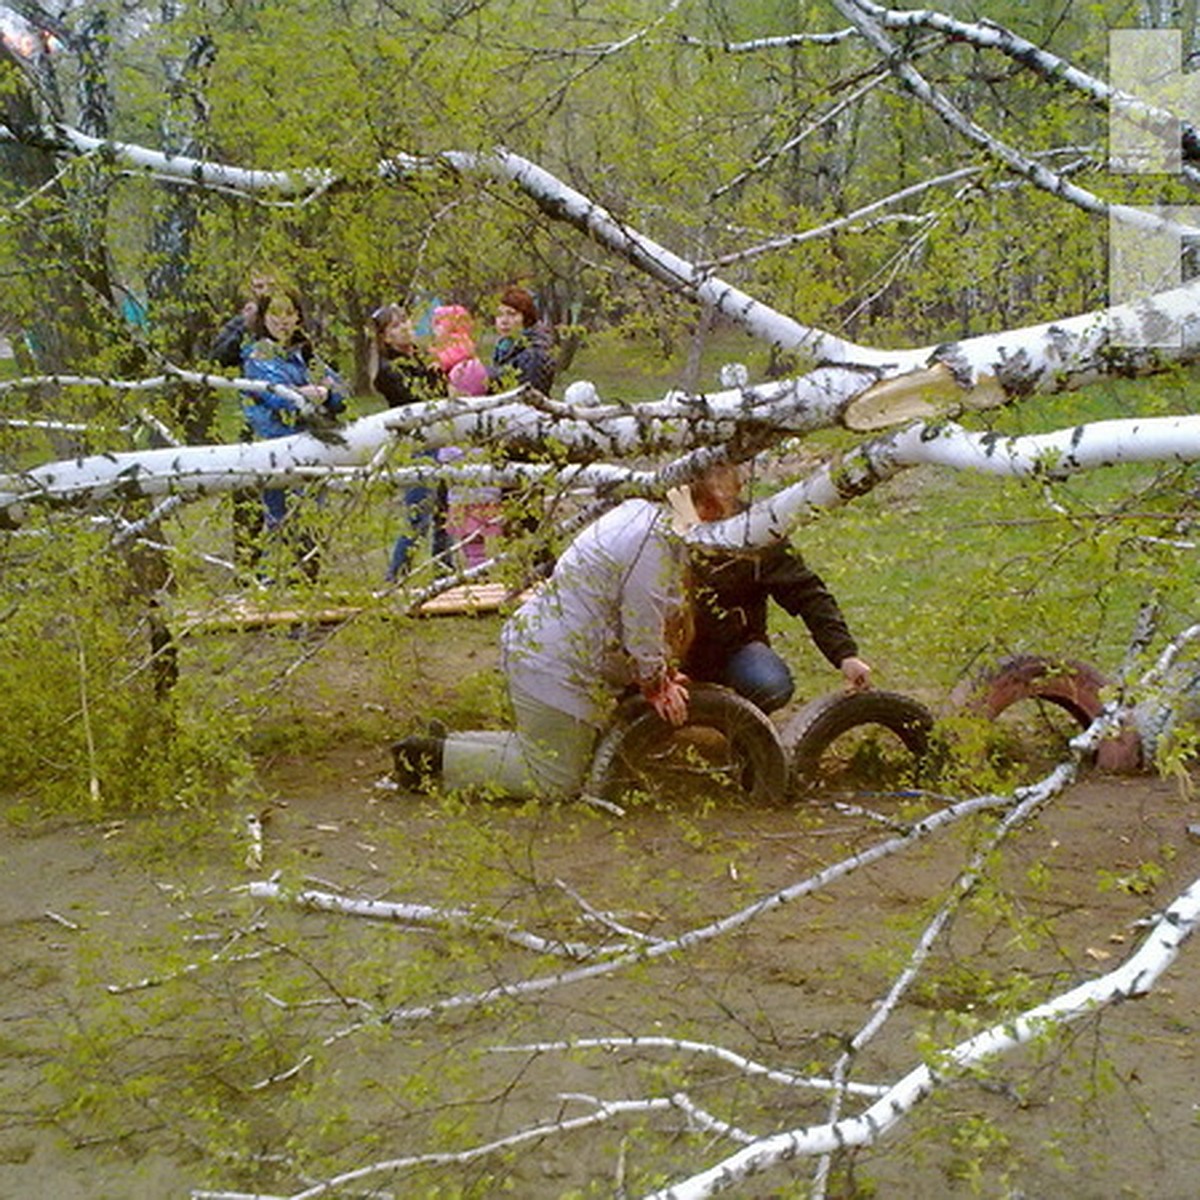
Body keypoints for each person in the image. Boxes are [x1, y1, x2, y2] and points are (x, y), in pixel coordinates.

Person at [390, 477, 708, 800]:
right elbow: (643, 621)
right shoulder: (651, 540)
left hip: (545, 648)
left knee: (545, 751)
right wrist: (656, 683)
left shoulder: (642, 517)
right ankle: (430, 761)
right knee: (555, 781)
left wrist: (660, 673)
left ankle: (446, 746)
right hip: (554, 662)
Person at [683, 462, 871, 712]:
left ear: (738, 487)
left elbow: (806, 592)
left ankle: (735, 725)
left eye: (720, 500)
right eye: (703, 501)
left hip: (733, 649)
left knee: (771, 686)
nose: (710, 510)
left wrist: (845, 655)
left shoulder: (758, 531)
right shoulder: (661, 530)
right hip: (667, 653)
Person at [238, 290, 347, 581]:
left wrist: (323, 394)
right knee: (280, 519)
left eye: (289, 313)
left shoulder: (305, 354)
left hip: (312, 446)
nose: (283, 321)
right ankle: (271, 581)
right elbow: (279, 398)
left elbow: (340, 393)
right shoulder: (258, 354)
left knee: (312, 518)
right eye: (276, 313)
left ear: (298, 316)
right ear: (263, 318)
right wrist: (308, 394)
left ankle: (307, 579)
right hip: (276, 447)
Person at [368, 304, 450, 581]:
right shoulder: (387, 370)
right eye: (395, 326)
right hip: (414, 445)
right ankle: (396, 576)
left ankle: (445, 572)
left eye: (405, 321)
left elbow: (440, 396)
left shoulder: (419, 357)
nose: (404, 328)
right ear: (385, 337)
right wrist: (433, 373)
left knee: (443, 512)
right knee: (419, 515)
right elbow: (416, 400)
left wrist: (436, 372)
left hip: (435, 438)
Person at [487, 286, 556, 394]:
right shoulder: (504, 346)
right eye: (499, 314)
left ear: (526, 318)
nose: (504, 321)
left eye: (512, 314)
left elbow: (529, 397)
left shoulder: (534, 353)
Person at [210, 267, 277, 368]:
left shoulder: (294, 318)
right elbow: (216, 358)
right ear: (253, 289)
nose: (266, 292)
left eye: (271, 286)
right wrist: (245, 328)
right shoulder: (243, 320)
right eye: (259, 286)